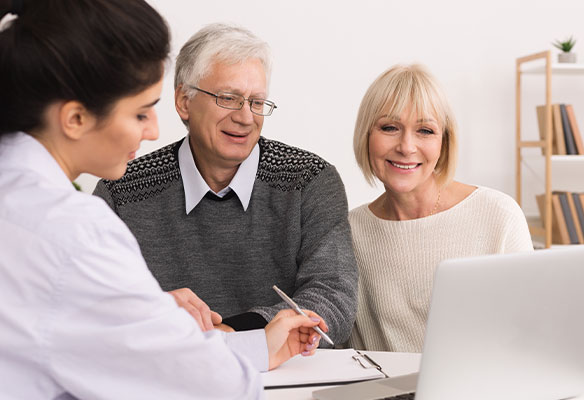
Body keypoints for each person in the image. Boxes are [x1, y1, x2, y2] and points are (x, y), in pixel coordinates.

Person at [0, 1, 328, 398]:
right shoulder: (79, 232)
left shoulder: (22, 201)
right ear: (75, 119)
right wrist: (155, 322)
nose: (155, 130)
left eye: (256, 102)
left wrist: (151, 318)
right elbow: (212, 385)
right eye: (141, 113)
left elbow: (103, 343)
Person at [93, 23, 358, 345]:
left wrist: (230, 334)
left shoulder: (309, 180)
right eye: (229, 98)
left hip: (290, 381)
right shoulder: (122, 190)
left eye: (257, 102)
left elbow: (334, 299)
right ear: (184, 101)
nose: (246, 117)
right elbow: (95, 307)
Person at [347, 64, 533, 353]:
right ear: (366, 135)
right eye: (389, 127)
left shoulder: (498, 215)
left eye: (425, 130)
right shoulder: (349, 231)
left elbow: (529, 338)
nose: (407, 147)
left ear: (444, 143)